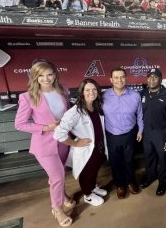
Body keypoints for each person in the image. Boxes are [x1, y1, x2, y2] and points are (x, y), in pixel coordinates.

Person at [15, 61, 74, 227]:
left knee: (59, 174)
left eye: (49, 74)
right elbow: (20, 124)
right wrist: (46, 127)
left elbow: (68, 112)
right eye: (41, 75)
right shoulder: (27, 97)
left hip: (63, 141)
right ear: (35, 77)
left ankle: (62, 195)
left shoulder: (63, 89)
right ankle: (57, 208)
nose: (46, 78)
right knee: (57, 176)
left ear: (55, 74)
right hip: (44, 145)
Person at [54, 79, 108, 207]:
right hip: (86, 148)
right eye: (87, 90)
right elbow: (58, 134)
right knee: (86, 172)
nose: (91, 92)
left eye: (94, 89)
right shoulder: (75, 111)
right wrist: (75, 143)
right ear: (82, 93)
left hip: (99, 146)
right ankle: (88, 195)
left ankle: (93, 187)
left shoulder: (96, 107)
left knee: (94, 169)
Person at [103, 68, 143, 199]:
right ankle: (120, 185)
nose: (119, 80)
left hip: (129, 134)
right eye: (116, 77)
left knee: (129, 160)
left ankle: (131, 181)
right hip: (112, 135)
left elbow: (140, 115)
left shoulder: (135, 95)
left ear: (126, 78)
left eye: (122, 77)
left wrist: (141, 130)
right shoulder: (103, 96)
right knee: (115, 162)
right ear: (111, 80)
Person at [139, 68, 166, 196]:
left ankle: (162, 181)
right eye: (149, 77)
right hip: (147, 133)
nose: (152, 80)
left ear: (160, 80)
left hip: (162, 134)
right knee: (149, 157)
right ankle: (150, 176)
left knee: (163, 159)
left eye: (155, 77)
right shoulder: (143, 94)